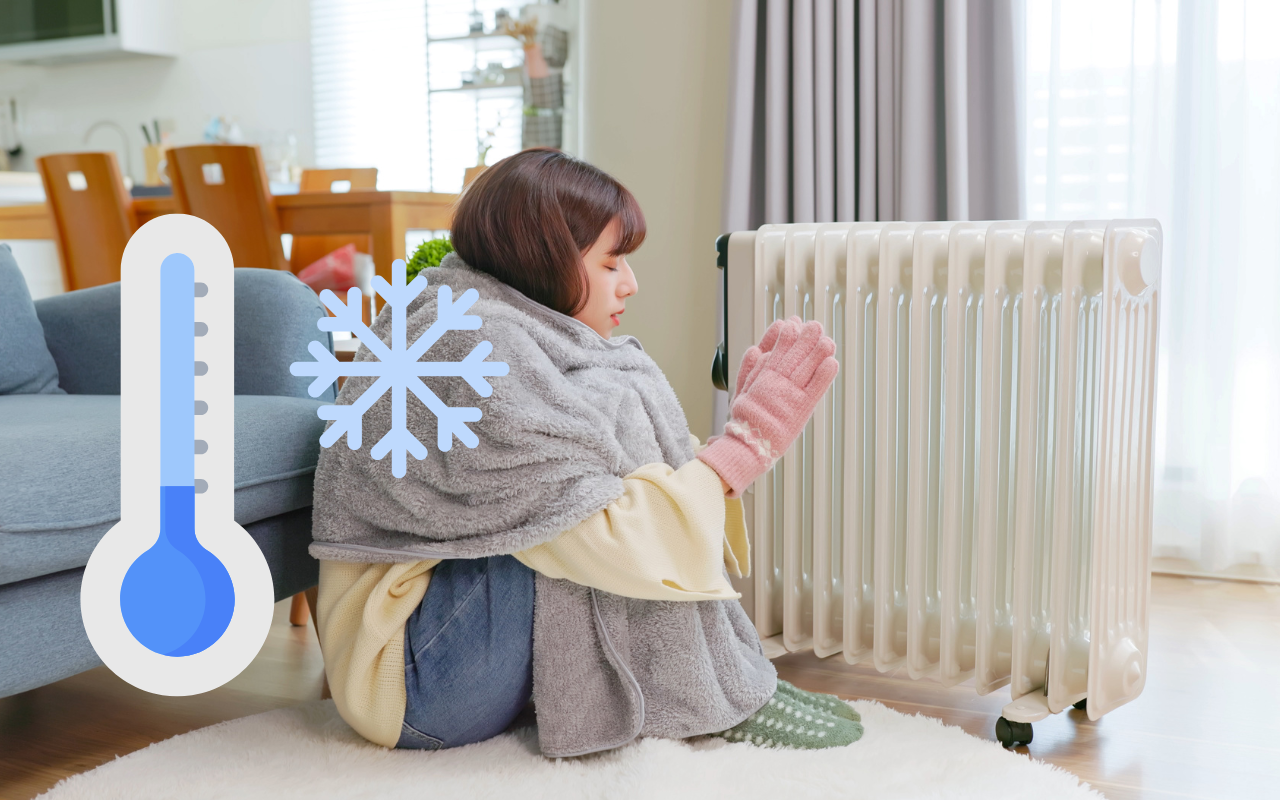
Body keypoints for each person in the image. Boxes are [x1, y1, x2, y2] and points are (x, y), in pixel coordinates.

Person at [311, 148, 862, 754]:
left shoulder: (503, 324)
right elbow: (601, 534)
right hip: (413, 683)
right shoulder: (473, 350)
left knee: (586, 492)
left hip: (449, 647)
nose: (630, 283)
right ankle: (702, 699)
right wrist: (742, 449)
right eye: (611, 262)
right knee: (577, 517)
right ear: (544, 259)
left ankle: (723, 679)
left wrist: (726, 455)